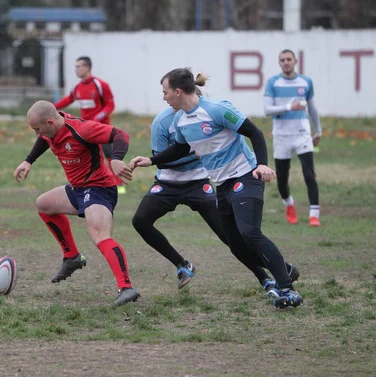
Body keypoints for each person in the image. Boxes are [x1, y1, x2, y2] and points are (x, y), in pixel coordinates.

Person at [130, 68, 303, 309]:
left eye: (165, 92)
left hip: (245, 175)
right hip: (221, 185)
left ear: (178, 92)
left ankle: (286, 288)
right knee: (237, 247)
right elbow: (179, 149)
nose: (163, 97)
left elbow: (254, 132)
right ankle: (286, 271)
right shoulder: (181, 120)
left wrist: (262, 164)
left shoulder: (217, 109)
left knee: (250, 232)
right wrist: (151, 160)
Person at [13, 100, 140, 306]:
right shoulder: (52, 131)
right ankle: (71, 257)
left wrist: (115, 158)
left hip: (99, 189)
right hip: (77, 189)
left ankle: (126, 287)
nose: (37, 134)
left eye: (38, 129)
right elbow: (46, 139)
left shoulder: (83, 130)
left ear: (50, 123)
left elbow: (120, 135)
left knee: (99, 234)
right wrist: (28, 160)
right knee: (43, 204)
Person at [264, 49, 323, 227]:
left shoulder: (306, 82)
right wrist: (290, 106)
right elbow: (267, 110)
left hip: (302, 134)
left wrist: (318, 131)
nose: (286, 62)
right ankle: (289, 204)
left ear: (295, 61)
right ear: (279, 63)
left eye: (289, 59)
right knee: (282, 179)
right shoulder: (273, 83)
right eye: (282, 60)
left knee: (309, 174)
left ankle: (314, 214)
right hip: (281, 135)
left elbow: (312, 108)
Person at [53, 56, 126, 194]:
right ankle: (90, 183)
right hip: (84, 130)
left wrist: (97, 117)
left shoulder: (100, 84)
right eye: (75, 67)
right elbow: (69, 99)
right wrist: (52, 108)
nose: (76, 69)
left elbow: (110, 104)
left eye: (79, 66)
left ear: (88, 67)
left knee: (110, 155)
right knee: (89, 158)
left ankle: (119, 184)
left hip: (100, 128)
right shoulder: (77, 87)